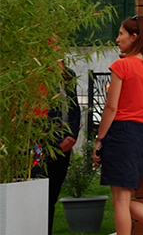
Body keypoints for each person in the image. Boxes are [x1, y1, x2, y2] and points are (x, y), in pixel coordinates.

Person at [92, 16, 143, 235]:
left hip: (121, 132)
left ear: (134, 37)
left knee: (120, 199)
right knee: (123, 198)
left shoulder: (122, 65)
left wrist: (99, 140)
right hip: (142, 135)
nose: (117, 39)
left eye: (121, 34)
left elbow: (111, 108)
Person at [31, 64, 81, 234]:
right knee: (37, 193)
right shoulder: (31, 72)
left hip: (63, 144)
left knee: (51, 195)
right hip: (37, 144)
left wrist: (72, 135)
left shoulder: (67, 74)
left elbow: (74, 109)